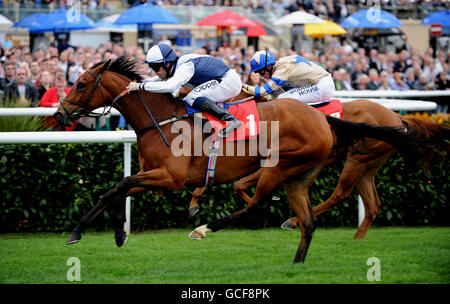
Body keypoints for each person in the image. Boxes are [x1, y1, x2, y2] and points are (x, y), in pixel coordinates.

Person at [126, 43, 242, 137]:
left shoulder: (185, 67)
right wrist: (141, 83)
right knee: (189, 98)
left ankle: (230, 119)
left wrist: (140, 87)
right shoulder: (178, 64)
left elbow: (169, 86)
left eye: (156, 67)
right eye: (152, 67)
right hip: (224, 78)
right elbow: (159, 78)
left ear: (167, 64)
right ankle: (208, 128)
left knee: (192, 97)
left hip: (228, 81)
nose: (155, 71)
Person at [242, 50, 335, 106]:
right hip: (320, 83)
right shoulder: (281, 64)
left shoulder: (282, 70)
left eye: (261, 72)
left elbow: (261, 91)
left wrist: (243, 86)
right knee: (282, 97)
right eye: (258, 73)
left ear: (269, 67)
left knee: (283, 99)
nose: (262, 76)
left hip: (322, 85)